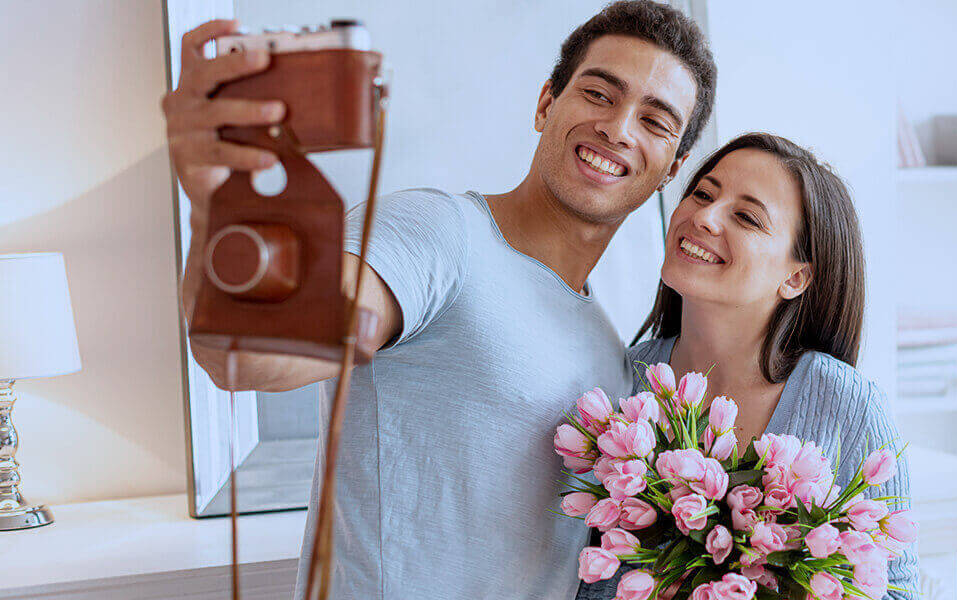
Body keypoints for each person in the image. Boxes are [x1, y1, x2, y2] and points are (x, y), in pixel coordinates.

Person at [160, 2, 716, 598]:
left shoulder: (612, 355)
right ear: (546, 104)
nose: (619, 128)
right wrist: (212, 202)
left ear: (671, 170)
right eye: (600, 94)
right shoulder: (436, 234)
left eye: (655, 121)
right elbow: (251, 358)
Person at [577, 133, 919, 600]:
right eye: (703, 193)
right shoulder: (616, 385)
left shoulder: (849, 407)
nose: (703, 217)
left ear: (796, 277)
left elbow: (898, 590)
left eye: (747, 217)